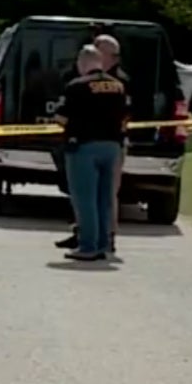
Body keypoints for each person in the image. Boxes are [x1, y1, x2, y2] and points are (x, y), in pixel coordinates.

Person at [56, 34, 131, 252]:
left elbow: (62, 117)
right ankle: (104, 243)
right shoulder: (118, 86)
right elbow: (125, 116)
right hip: (112, 146)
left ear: (82, 63)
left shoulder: (77, 86)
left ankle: (87, 246)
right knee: (106, 199)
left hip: (83, 147)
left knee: (85, 199)